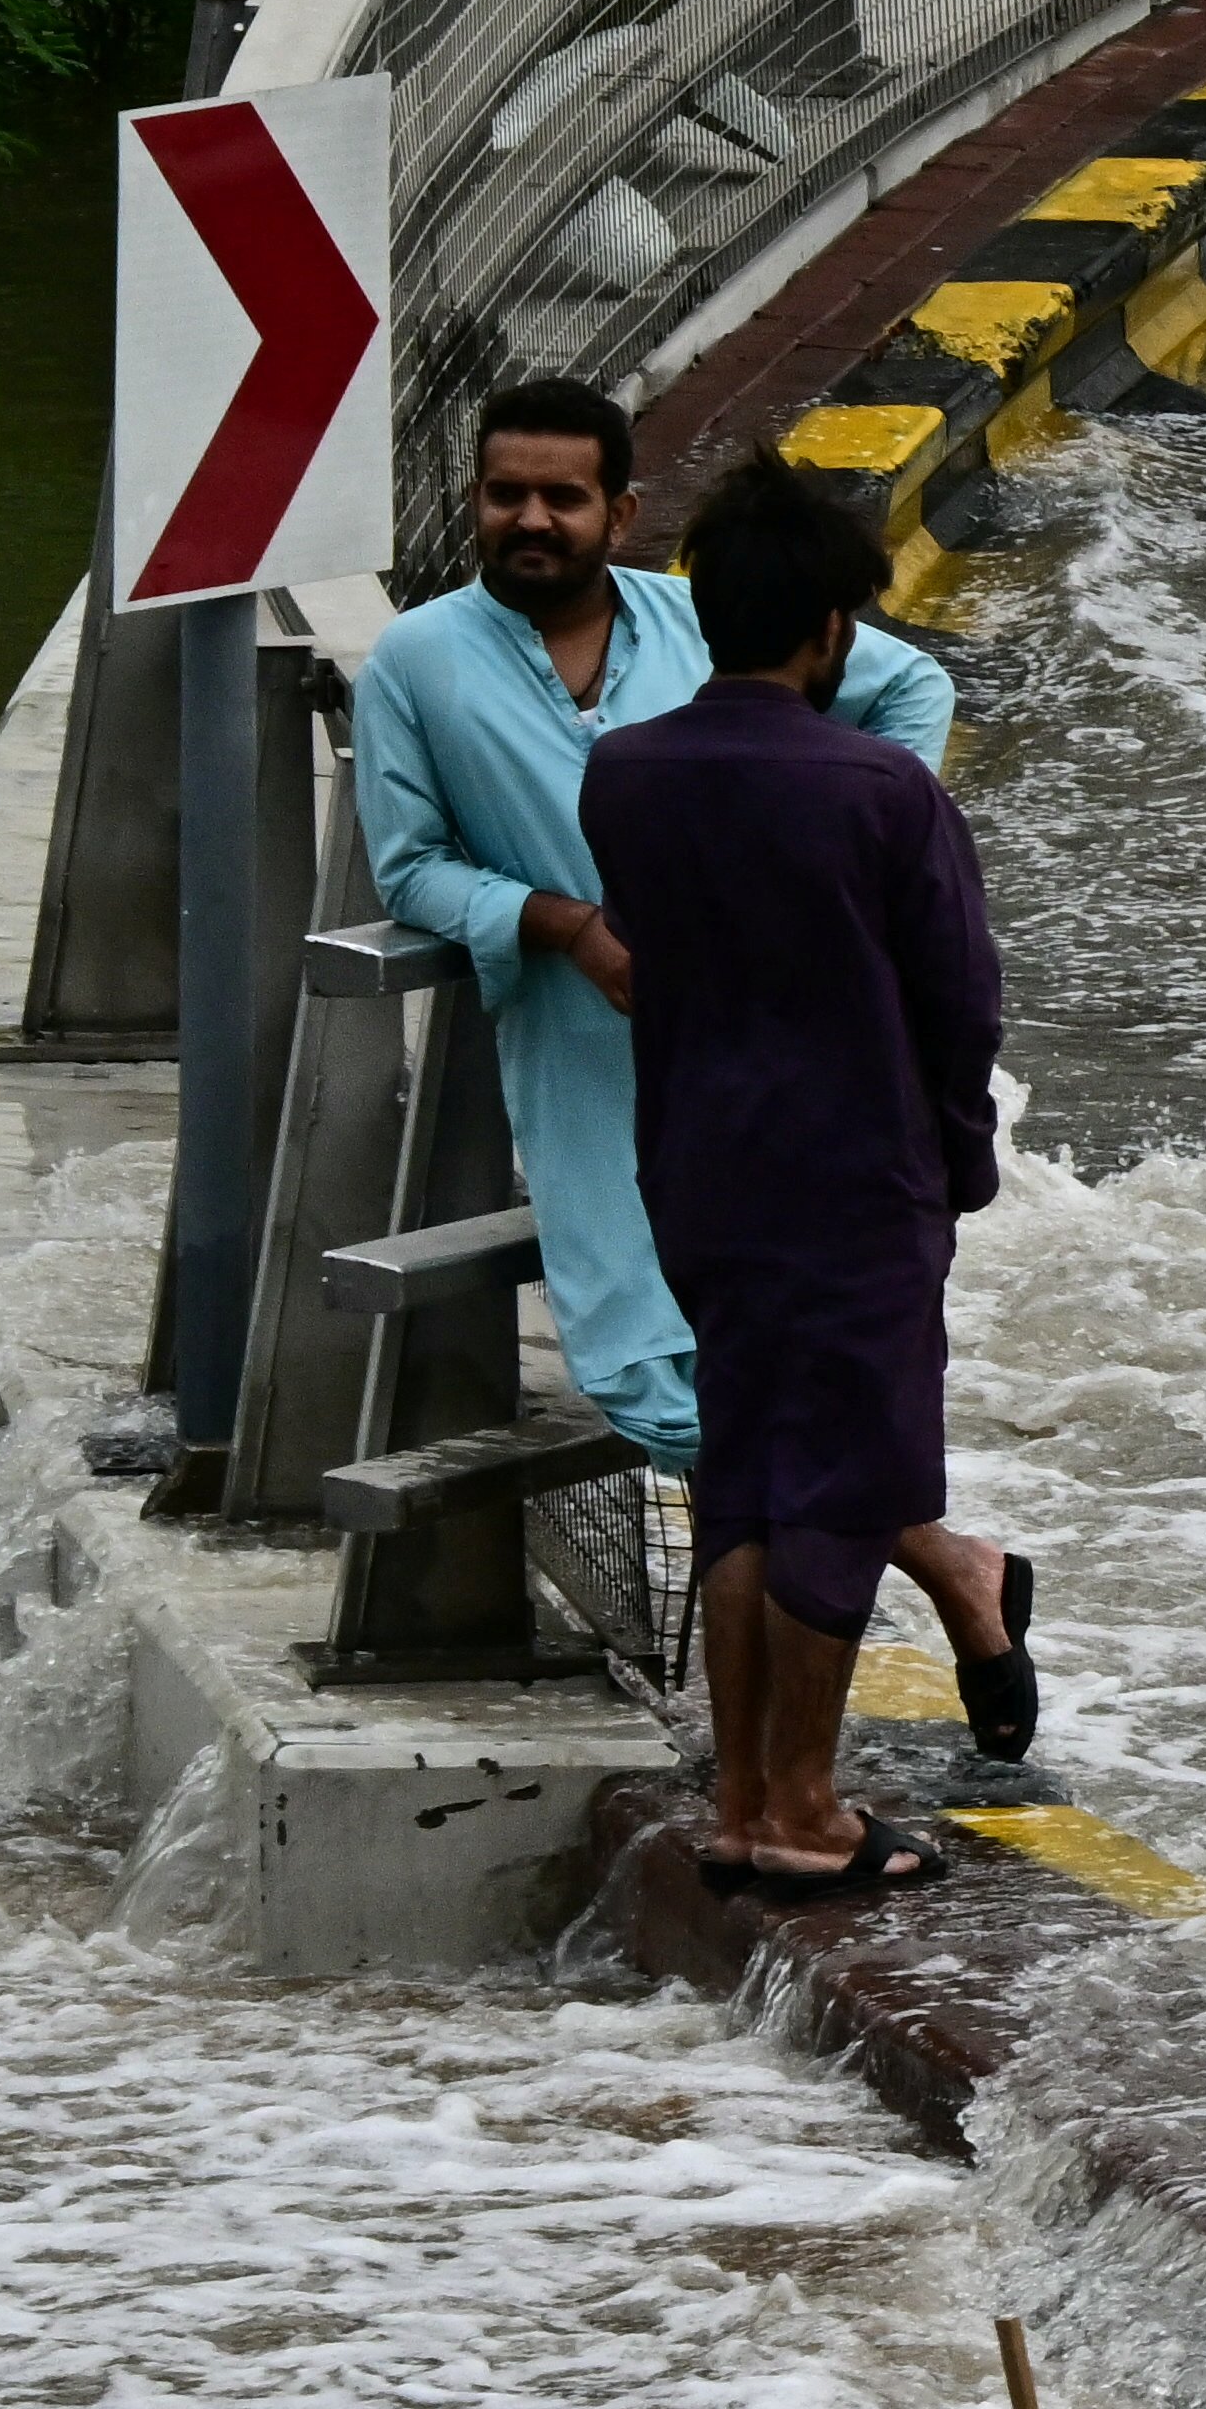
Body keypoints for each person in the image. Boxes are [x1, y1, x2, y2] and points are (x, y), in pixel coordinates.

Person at [347, 381, 1034, 1747]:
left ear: (621, 511)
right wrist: (559, 922)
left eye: (562, 497)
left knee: (781, 1369)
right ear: (473, 502)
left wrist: (819, 880)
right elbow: (411, 866)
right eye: (505, 495)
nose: (530, 520)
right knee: (656, 1373)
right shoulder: (415, 664)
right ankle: (951, 1569)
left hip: (779, 1055)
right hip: (597, 1059)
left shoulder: (703, 620)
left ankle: (787, 1762)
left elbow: (911, 691)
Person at [581, 467, 1030, 1898]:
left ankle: (737, 1800)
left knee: (746, 1482)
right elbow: (959, 1005)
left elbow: (650, 959)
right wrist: (959, 1163)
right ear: (833, 629)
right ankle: (809, 1815)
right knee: (842, 1489)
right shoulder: (881, 788)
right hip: (854, 1177)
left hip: (699, 1170)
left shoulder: (626, 773)